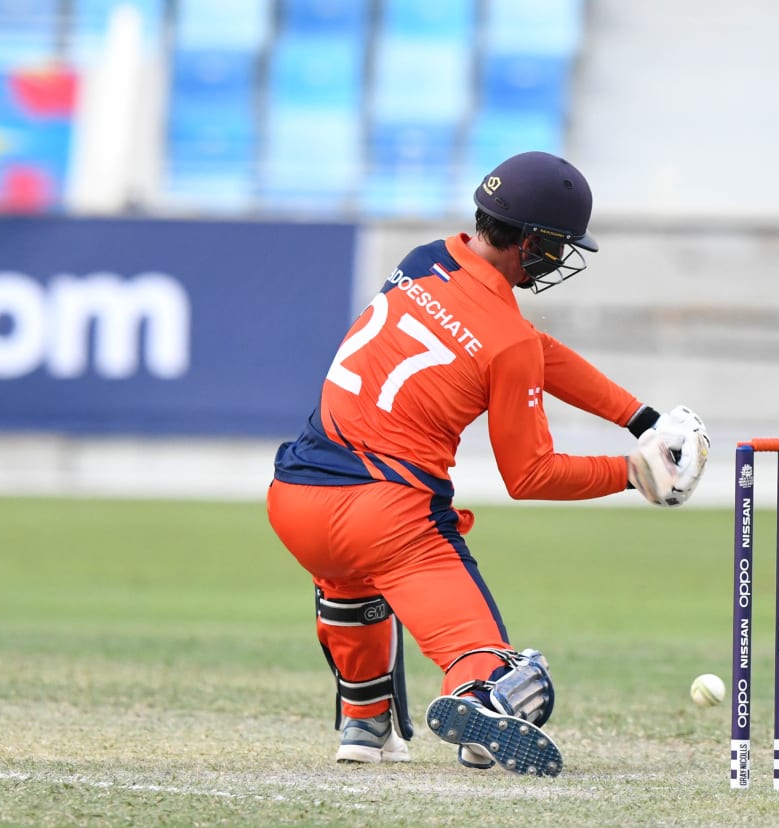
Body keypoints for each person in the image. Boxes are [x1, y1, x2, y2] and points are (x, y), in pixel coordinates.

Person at [267, 151, 709, 777]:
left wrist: (641, 418)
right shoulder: (508, 342)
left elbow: (534, 349)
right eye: (556, 246)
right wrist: (632, 472)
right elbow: (530, 474)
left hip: (295, 499)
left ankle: (363, 719)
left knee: (349, 579)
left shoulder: (425, 260)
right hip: (387, 517)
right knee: (509, 671)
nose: (559, 258)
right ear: (532, 243)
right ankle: (484, 699)